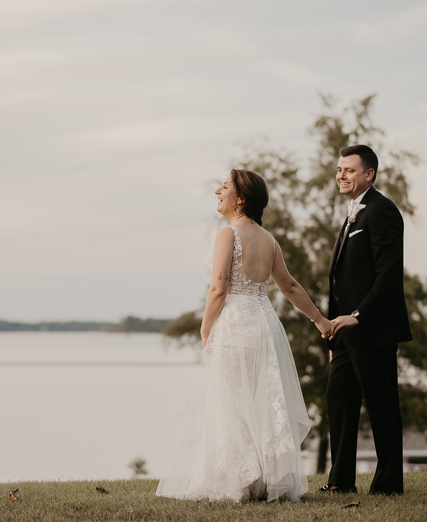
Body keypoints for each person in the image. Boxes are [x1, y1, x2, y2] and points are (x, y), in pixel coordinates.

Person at [156, 169, 333, 502]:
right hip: (264, 325)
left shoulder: (228, 234)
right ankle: (265, 481)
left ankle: (236, 481)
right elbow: (290, 286)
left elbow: (219, 286)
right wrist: (320, 321)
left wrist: (206, 327)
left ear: (240, 198)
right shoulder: (269, 239)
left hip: (235, 324)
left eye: (224, 186)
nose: (216, 191)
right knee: (261, 401)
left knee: (232, 402)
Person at [322, 144, 412, 496]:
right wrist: (333, 331)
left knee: (382, 408)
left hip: (373, 329)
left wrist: (357, 317)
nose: (340, 175)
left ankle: (389, 485)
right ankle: (341, 481)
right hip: (343, 335)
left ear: (369, 174)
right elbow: (340, 279)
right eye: (339, 169)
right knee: (338, 400)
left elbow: (388, 277)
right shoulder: (352, 214)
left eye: (348, 170)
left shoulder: (382, 211)